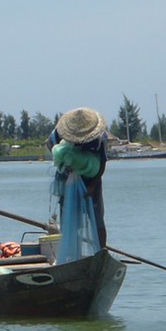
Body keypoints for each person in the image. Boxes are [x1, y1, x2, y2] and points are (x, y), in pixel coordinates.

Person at [47, 107, 109, 249]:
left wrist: (92, 186)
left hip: (91, 179)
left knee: (97, 218)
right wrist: (66, 162)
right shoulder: (57, 135)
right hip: (68, 179)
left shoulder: (99, 138)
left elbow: (103, 163)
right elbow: (52, 147)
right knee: (69, 219)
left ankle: (101, 252)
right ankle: (71, 252)